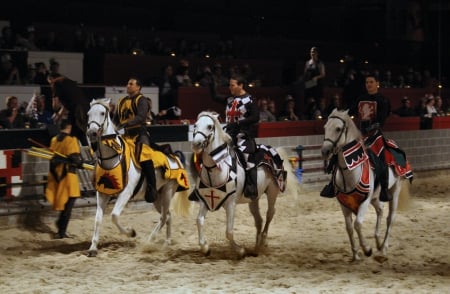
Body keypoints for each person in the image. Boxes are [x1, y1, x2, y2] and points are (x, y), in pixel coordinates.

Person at [321, 73, 392, 202]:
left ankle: (384, 189)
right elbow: (350, 112)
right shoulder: (361, 98)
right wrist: (339, 114)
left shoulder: (383, 100)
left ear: (377, 83)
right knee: (339, 152)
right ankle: (332, 184)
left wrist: (371, 128)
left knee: (381, 158)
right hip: (360, 134)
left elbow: (381, 120)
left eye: (371, 82)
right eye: (367, 82)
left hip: (375, 135)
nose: (368, 84)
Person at [210, 74, 260, 198]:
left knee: (247, 159)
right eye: (229, 85)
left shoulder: (250, 99)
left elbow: (255, 117)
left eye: (232, 85)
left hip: (243, 137)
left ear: (241, 85)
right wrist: (211, 85)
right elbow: (214, 96)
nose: (230, 88)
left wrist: (238, 123)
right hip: (228, 136)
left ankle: (252, 187)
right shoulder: (229, 99)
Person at [112, 77, 157, 203]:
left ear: (138, 87)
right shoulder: (121, 101)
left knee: (145, 155)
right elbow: (115, 119)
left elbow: (141, 117)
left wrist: (125, 124)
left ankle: (152, 187)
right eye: (127, 83)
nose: (128, 85)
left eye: (131, 84)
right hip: (124, 135)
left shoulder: (141, 100)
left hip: (139, 134)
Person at [45, 119, 83, 239]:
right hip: (68, 176)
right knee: (69, 203)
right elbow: (75, 158)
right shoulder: (71, 140)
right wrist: (82, 163)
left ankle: (61, 226)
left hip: (57, 175)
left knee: (67, 203)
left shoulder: (54, 140)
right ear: (69, 127)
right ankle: (61, 231)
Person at [47, 73, 90, 146]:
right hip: (85, 108)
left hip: (77, 110)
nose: (50, 85)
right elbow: (67, 104)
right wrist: (59, 115)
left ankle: (73, 152)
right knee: (78, 132)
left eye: (49, 82)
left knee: (75, 133)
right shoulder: (69, 82)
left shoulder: (56, 83)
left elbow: (55, 104)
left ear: (51, 79)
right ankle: (82, 150)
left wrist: (55, 112)